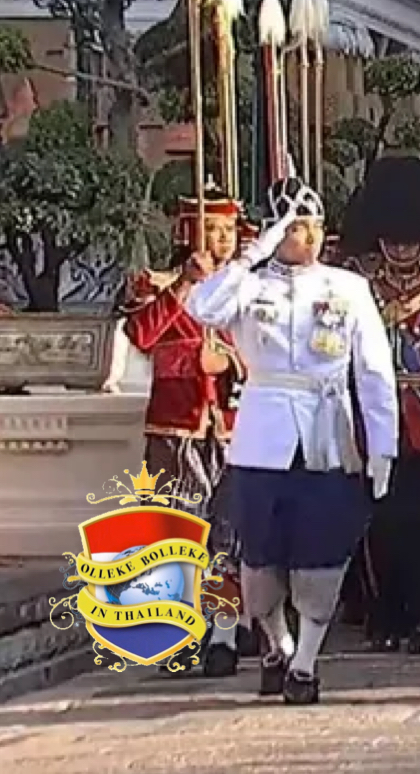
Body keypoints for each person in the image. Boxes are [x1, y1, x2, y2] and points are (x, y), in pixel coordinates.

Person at [185, 171, 398, 704]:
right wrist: (253, 253)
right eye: (297, 227)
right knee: (260, 556)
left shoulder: (347, 287)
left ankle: (305, 663)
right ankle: (277, 645)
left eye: (315, 225)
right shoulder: (249, 284)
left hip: (328, 433)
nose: (310, 236)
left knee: (322, 553)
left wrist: (383, 445)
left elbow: (375, 372)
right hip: (264, 436)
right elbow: (201, 307)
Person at [118, 182, 248, 676]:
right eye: (213, 229)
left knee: (228, 537)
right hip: (177, 429)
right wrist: (185, 289)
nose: (224, 239)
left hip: (232, 428)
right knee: (175, 535)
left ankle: (224, 633)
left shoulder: (245, 287)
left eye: (229, 229)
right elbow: (142, 335)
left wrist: (232, 361)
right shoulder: (157, 285)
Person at [344, 156, 420, 657]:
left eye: (411, 240)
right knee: (381, 523)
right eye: (395, 239)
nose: (403, 248)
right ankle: (384, 614)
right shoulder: (362, 291)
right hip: (377, 418)